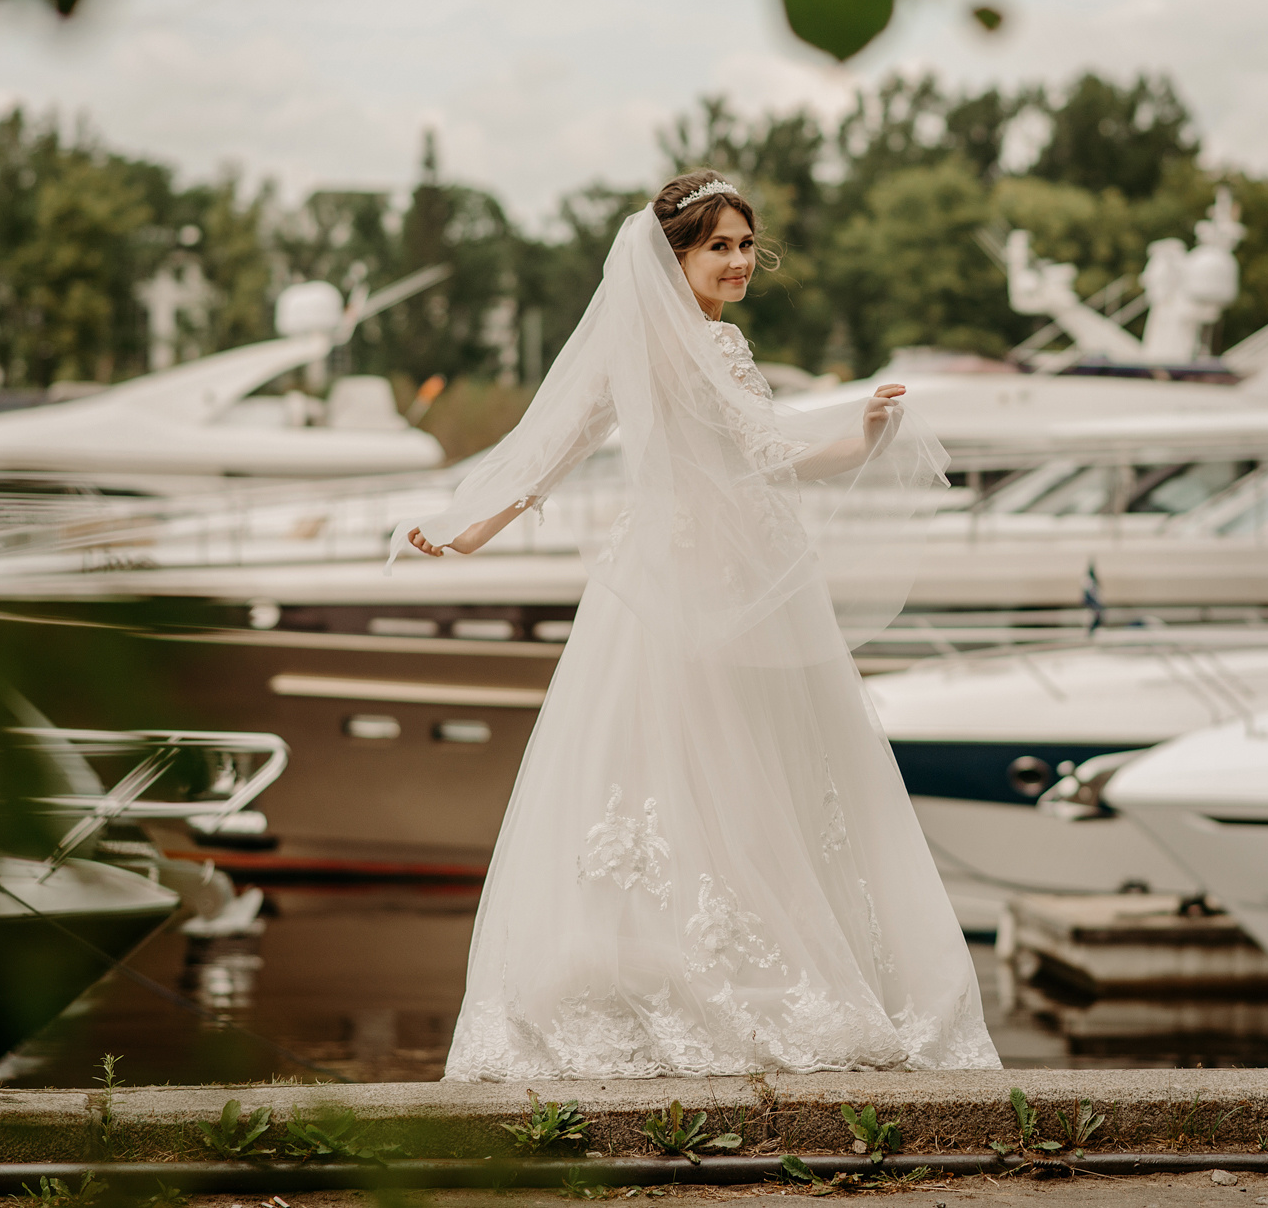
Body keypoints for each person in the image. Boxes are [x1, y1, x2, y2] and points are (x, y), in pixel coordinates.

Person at [406, 170, 999, 1079]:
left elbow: (781, 460)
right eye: (717, 245)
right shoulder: (670, 350)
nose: (738, 261)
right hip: (677, 586)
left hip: (740, 578)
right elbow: (557, 445)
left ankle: (733, 968)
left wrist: (869, 431)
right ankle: (653, 980)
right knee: (665, 771)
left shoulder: (709, 347)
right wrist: (470, 529)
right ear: (673, 256)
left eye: (745, 244)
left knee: (749, 776)